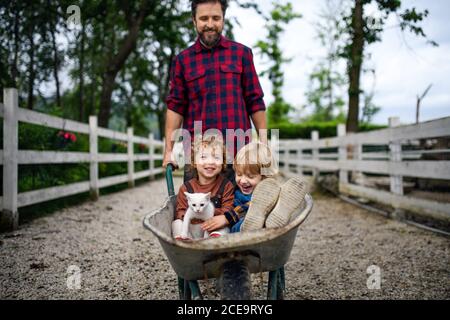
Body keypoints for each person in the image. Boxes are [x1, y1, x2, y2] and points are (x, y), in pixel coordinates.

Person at [163, 0, 268, 184]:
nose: (210, 24)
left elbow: (255, 101)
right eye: (204, 18)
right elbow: (175, 108)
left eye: (215, 18)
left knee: (238, 211)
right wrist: (168, 152)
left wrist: (264, 146)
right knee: (196, 211)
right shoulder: (182, 61)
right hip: (198, 159)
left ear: (223, 20)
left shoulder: (242, 54)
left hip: (238, 157)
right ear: (194, 21)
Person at [227, 142, 308, 232]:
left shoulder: (273, 192)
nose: (242, 181)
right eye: (239, 174)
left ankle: (277, 214)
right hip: (241, 229)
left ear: (265, 176)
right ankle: (253, 225)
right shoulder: (235, 194)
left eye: (250, 176)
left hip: (269, 222)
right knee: (239, 222)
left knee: (275, 202)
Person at [172, 134, 234, 240]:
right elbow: (180, 211)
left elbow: (228, 209)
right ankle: (185, 242)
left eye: (216, 157)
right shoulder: (186, 188)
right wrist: (194, 216)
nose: (210, 162)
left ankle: (214, 242)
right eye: (203, 157)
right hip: (192, 228)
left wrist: (210, 213)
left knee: (225, 225)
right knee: (177, 223)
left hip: (213, 226)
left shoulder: (226, 185)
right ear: (194, 162)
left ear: (223, 163)